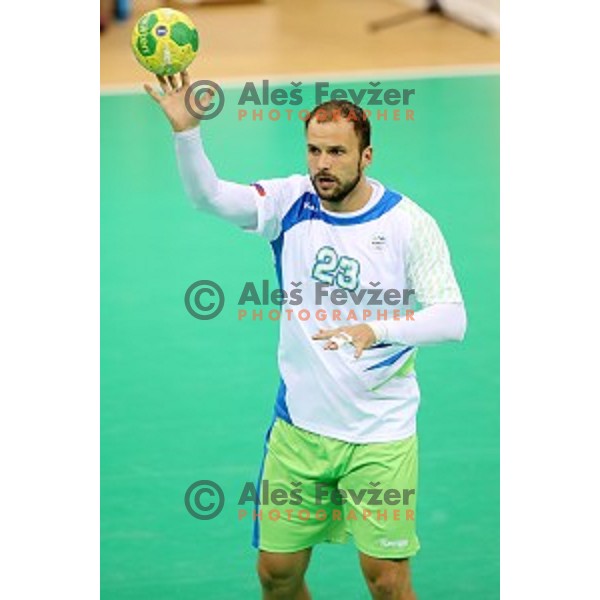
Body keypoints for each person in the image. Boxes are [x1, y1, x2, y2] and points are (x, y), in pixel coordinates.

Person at [145, 71, 467, 600]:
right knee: (276, 573)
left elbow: (452, 319)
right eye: (314, 150)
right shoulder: (291, 201)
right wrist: (187, 132)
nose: (322, 164)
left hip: (380, 435)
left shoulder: (409, 223)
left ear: (366, 156)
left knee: (386, 581)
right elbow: (209, 197)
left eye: (337, 152)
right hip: (300, 430)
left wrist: (377, 327)